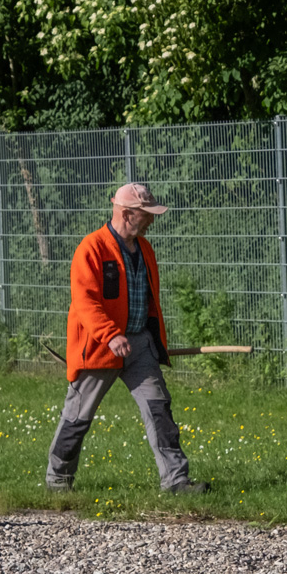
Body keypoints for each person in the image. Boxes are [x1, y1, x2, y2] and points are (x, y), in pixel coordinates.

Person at [45, 182, 209, 494]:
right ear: (126, 213)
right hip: (99, 348)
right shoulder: (91, 248)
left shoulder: (145, 249)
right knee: (77, 418)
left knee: (159, 411)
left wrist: (149, 339)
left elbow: (148, 299)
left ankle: (176, 482)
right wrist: (109, 335)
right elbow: (85, 301)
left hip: (139, 346)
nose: (151, 220)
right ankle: (57, 482)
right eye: (146, 214)